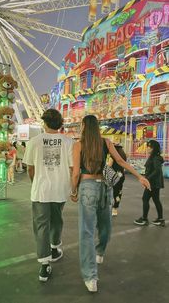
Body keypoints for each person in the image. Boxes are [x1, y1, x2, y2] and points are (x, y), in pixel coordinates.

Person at [71, 115, 150, 293]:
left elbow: (76, 173)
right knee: (105, 226)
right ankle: (100, 252)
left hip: (87, 187)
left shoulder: (78, 145)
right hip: (105, 188)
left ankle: (91, 277)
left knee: (86, 232)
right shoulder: (106, 142)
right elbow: (121, 162)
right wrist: (140, 176)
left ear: (83, 126)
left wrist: (73, 191)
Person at [23, 109, 73, 282]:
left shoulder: (34, 142)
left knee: (41, 224)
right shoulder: (68, 142)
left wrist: (35, 181)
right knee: (57, 219)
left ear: (44, 123)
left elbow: (30, 168)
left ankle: (44, 265)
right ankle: (54, 247)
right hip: (60, 189)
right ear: (60, 124)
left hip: (40, 190)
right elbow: (73, 168)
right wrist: (73, 188)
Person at [134, 140, 165, 227]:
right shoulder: (154, 157)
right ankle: (160, 219)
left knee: (145, 199)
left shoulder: (155, 158)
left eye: (149, 147)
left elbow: (157, 170)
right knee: (156, 200)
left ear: (153, 148)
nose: (147, 148)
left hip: (153, 183)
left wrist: (146, 179)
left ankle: (144, 219)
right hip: (154, 182)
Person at [108, 143, 127, 216]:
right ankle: (115, 208)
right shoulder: (123, 154)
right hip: (121, 175)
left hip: (113, 175)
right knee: (118, 192)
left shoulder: (113, 155)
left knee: (108, 191)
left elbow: (109, 165)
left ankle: (108, 207)